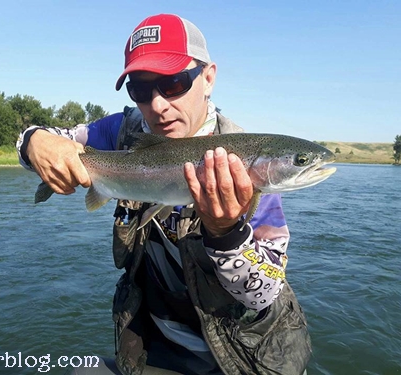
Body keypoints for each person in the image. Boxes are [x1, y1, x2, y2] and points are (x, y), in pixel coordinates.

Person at [17, 14, 311, 375]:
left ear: (208, 78)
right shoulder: (124, 131)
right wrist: (35, 141)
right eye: (140, 89)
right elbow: (42, 140)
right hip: (152, 349)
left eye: (172, 84)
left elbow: (263, 295)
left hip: (238, 358)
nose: (156, 105)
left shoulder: (241, 168)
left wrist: (227, 234)